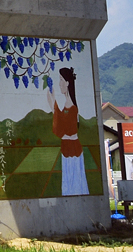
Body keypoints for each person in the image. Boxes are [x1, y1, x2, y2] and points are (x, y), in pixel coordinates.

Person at [49, 67, 89, 196]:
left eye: (61, 80)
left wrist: (53, 105)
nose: (59, 83)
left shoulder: (72, 107)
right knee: (69, 182)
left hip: (72, 150)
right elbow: (60, 122)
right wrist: (53, 104)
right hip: (67, 148)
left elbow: (63, 130)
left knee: (74, 183)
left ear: (67, 82)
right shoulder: (67, 105)